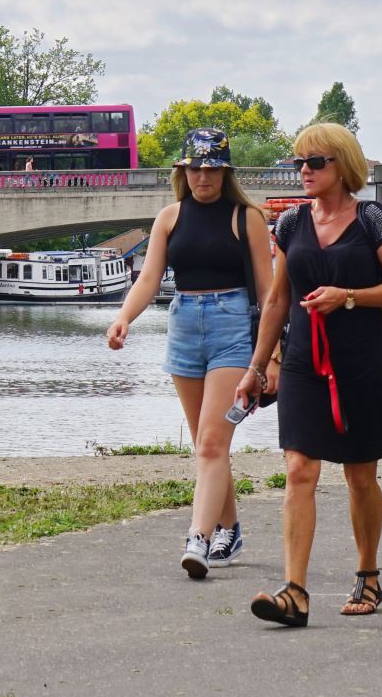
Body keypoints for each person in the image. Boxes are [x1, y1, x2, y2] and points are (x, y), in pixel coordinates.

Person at [236, 122, 382, 626]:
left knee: (360, 475)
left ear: (342, 166)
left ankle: (368, 574)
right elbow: (277, 299)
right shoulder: (292, 225)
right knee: (299, 468)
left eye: (314, 162)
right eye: (298, 162)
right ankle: (294, 593)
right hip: (303, 360)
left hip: (362, 361)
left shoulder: (371, 219)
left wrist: (348, 297)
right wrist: (258, 367)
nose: (303, 171)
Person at [107, 127, 272, 577]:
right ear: (183, 171)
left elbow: (269, 290)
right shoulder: (169, 217)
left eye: (212, 168)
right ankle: (230, 528)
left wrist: (269, 355)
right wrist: (125, 317)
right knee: (207, 444)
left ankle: (197, 538)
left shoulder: (246, 217)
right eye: (195, 168)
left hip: (233, 326)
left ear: (226, 171)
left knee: (213, 442)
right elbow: (148, 278)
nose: (204, 177)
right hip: (183, 325)